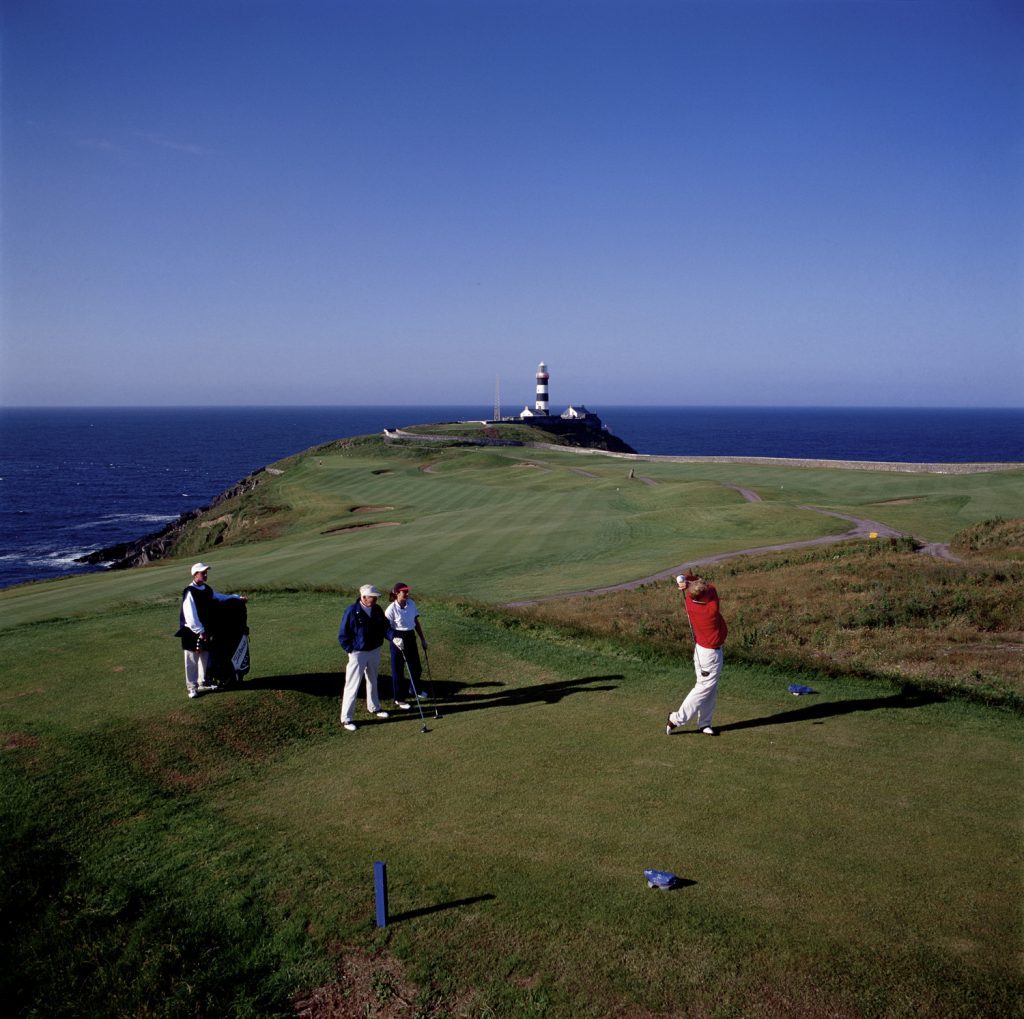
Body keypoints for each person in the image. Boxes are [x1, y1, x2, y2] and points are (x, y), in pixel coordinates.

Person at [666, 573, 728, 736]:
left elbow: (701, 587)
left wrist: (685, 580)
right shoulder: (711, 609)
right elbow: (711, 587)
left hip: (703, 651)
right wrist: (688, 581)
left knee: (710, 689)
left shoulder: (689, 602)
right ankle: (676, 718)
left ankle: (704, 723)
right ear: (704, 595)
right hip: (709, 655)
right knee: (703, 688)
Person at [177, 562, 248, 699]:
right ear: (195, 574)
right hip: (191, 631)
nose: (205, 574)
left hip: (205, 629)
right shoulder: (189, 591)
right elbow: (190, 615)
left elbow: (219, 597)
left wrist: (237, 598)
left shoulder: (207, 589)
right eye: (203, 572)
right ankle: (192, 687)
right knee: (191, 660)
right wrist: (200, 630)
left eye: (206, 572)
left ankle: (203, 682)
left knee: (204, 656)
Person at [338, 584, 396, 731]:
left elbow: (385, 627)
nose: (376, 600)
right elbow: (343, 635)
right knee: (352, 684)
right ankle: (346, 718)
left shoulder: (376, 610)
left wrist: (393, 637)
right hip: (357, 653)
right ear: (363, 597)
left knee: (373, 680)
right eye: (373, 597)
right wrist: (350, 650)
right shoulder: (351, 611)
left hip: (374, 650)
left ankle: (374, 707)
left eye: (376, 597)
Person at [384, 582, 429, 709]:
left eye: (407, 591)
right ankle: (399, 698)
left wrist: (423, 639)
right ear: (396, 593)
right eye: (404, 592)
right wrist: (394, 639)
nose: (407, 594)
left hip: (410, 637)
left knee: (416, 667)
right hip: (397, 639)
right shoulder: (390, 609)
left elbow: (415, 622)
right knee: (398, 670)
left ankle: (414, 690)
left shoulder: (411, 604)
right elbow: (386, 629)